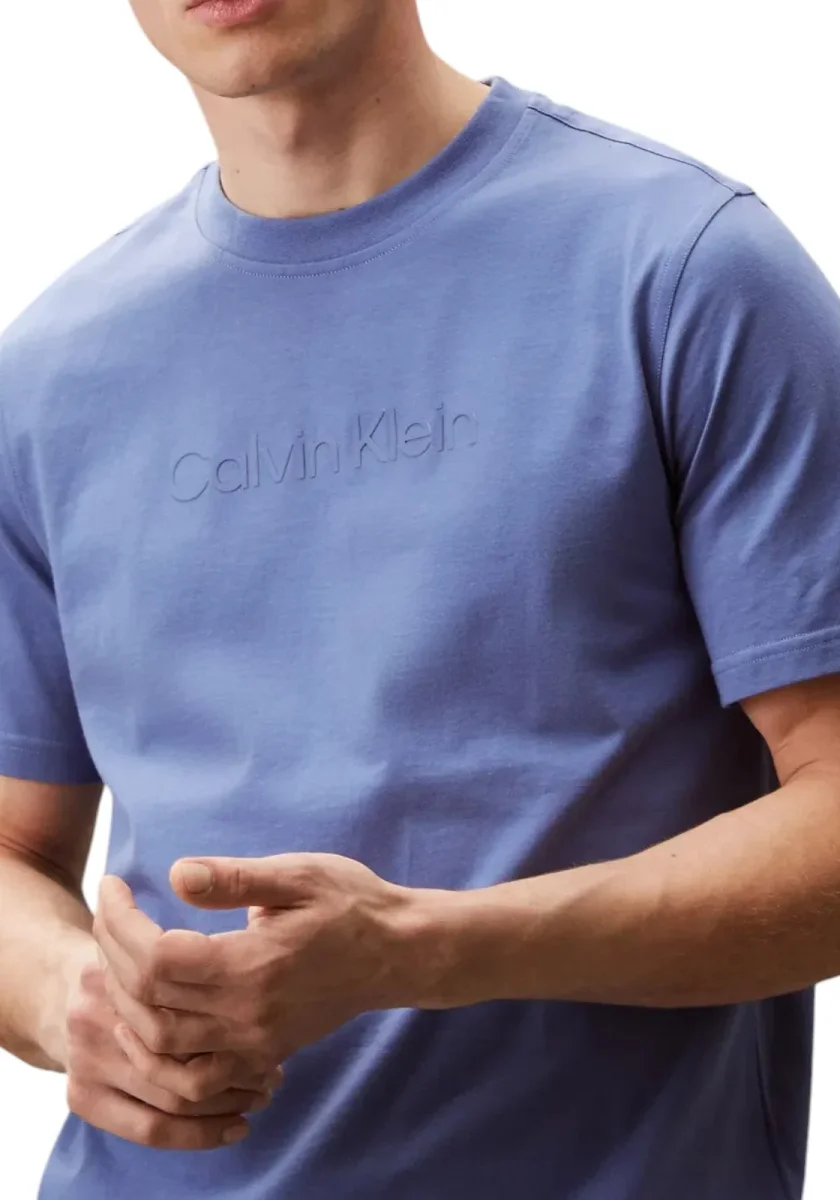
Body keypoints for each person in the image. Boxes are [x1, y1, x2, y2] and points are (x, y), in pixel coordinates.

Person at [2, 1, 840, 1197]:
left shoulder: (687, 270)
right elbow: (14, 851)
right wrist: (71, 997)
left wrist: (427, 953)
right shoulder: (48, 375)